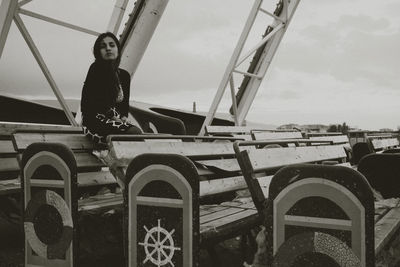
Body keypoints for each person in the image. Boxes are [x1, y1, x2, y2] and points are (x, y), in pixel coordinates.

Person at [80, 32, 142, 144]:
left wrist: (123, 117)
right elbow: (88, 105)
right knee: (134, 133)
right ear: (98, 52)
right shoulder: (95, 69)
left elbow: (124, 106)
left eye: (112, 45)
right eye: (103, 47)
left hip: (114, 121)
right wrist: (112, 117)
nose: (108, 49)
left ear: (118, 49)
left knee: (136, 133)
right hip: (94, 120)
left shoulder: (124, 75)